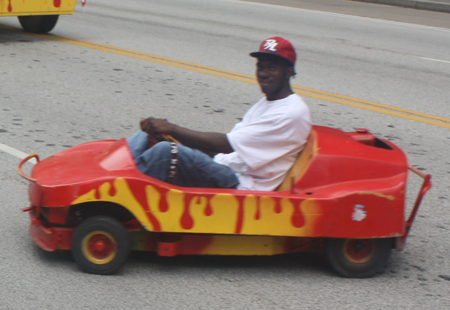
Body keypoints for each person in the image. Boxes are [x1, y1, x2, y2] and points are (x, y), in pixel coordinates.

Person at [127, 37, 311, 191]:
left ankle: (121, 189)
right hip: (227, 166)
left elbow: (227, 144)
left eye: (272, 68)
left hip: (241, 184)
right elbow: (230, 149)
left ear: (288, 72)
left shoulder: (290, 113)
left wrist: (173, 129)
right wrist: (170, 134)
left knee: (166, 151)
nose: (263, 73)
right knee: (152, 136)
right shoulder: (269, 102)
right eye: (260, 67)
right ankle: (114, 170)